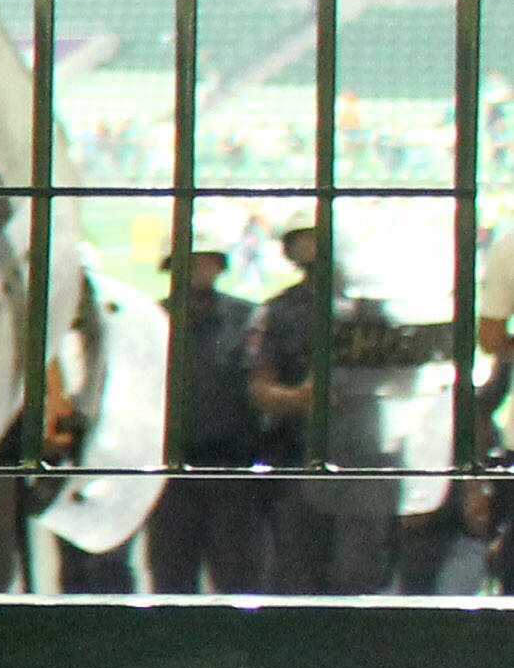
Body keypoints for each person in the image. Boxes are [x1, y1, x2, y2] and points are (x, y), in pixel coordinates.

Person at [247, 211, 397, 597]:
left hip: (361, 458)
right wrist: (301, 400)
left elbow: (401, 376)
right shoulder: (276, 312)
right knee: (298, 578)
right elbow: (259, 388)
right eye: (305, 239)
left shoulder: (370, 308)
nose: (314, 248)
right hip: (299, 457)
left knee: (358, 576)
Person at [144, 235, 268, 594]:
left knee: (238, 578)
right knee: (171, 578)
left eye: (206, 261)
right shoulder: (152, 319)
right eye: (188, 262)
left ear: (219, 266)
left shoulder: (248, 318)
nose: (198, 271)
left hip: (233, 467)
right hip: (169, 469)